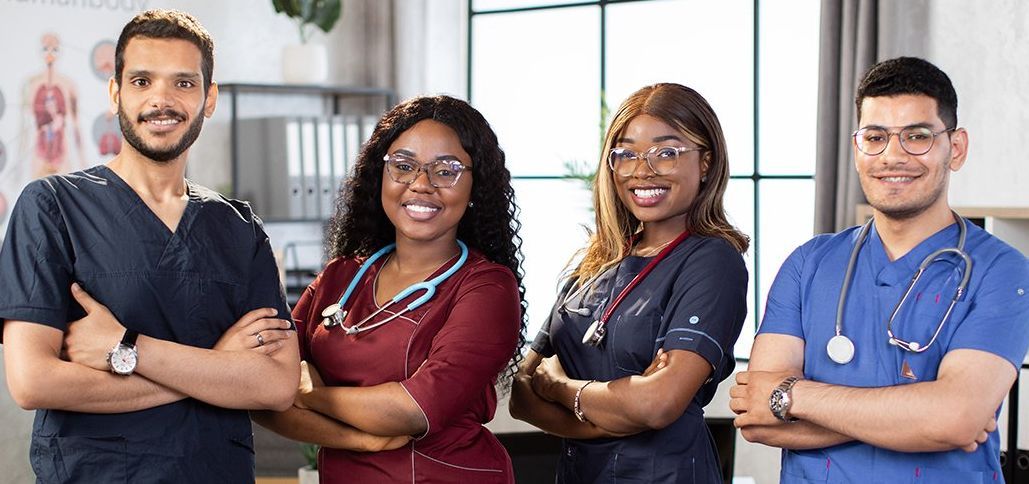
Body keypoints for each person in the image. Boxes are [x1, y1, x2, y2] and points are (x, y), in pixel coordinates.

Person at [0, 10, 300, 483]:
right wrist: (217, 369)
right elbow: (33, 381)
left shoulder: (239, 228)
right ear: (115, 92)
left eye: (184, 83)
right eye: (141, 81)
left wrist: (127, 349)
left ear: (209, 98)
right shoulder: (52, 207)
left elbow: (276, 385)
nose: (162, 100)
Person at [730, 57, 1029, 483]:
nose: (893, 155)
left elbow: (956, 419)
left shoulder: (1002, 271)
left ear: (956, 148)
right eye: (876, 137)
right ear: (857, 149)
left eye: (917, 136)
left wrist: (792, 395)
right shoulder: (808, 264)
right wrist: (922, 416)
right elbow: (758, 418)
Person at [253, 95, 527, 483]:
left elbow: (416, 408)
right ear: (379, 175)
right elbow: (262, 389)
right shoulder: (341, 277)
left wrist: (310, 394)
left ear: (475, 186)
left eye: (446, 171)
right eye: (403, 166)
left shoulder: (487, 288)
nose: (420, 184)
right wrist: (358, 439)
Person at [510, 83, 750, 483]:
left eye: (666, 152)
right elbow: (521, 393)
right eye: (626, 154)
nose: (643, 170)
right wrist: (604, 421)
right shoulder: (595, 261)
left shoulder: (712, 261)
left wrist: (561, 388)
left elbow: (658, 405)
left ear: (706, 162)